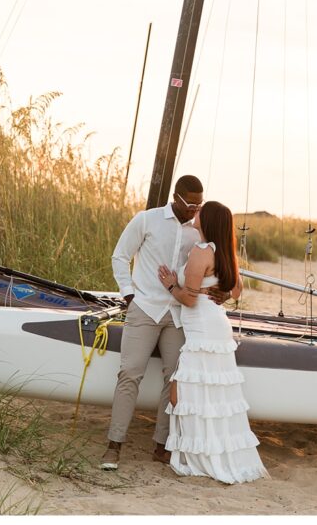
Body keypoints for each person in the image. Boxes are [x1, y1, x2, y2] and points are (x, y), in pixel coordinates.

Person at [101, 175, 229, 470]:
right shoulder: (147, 220)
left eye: (199, 205)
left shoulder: (199, 233)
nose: (194, 210)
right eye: (190, 204)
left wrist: (217, 290)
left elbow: (210, 268)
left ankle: (161, 446)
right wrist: (129, 294)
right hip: (144, 308)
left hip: (179, 315)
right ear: (176, 196)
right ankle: (114, 445)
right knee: (130, 373)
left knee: (175, 380)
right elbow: (120, 256)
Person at [156, 201, 269, 484]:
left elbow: (190, 298)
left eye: (199, 212)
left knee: (183, 391)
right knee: (211, 391)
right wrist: (222, 294)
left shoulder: (202, 251)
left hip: (203, 327)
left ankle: (200, 455)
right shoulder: (223, 251)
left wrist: (170, 284)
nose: (195, 214)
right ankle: (208, 452)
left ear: (207, 220)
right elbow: (237, 289)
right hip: (215, 322)